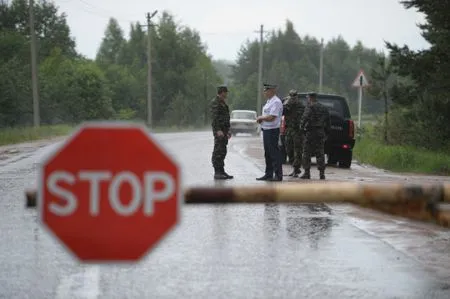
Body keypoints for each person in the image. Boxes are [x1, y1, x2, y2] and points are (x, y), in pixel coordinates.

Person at [256, 83, 284, 181]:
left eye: (266, 90)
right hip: (266, 130)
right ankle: (268, 174)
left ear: (272, 90)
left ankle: (278, 175)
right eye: (264, 90)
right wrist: (262, 119)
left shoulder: (276, 102)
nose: (264, 92)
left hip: (272, 130)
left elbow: (272, 117)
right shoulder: (269, 101)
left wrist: (261, 117)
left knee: (274, 153)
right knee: (267, 153)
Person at [300, 92, 331, 180]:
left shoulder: (309, 107)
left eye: (308, 98)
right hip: (320, 132)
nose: (307, 99)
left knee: (306, 153)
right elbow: (328, 122)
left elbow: (304, 119)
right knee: (320, 153)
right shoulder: (324, 108)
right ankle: (322, 174)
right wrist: (327, 133)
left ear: (310, 98)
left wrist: (301, 130)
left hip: (310, 133)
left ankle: (307, 173)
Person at [210, 85, 233, 180]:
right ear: (222, 92)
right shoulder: (215, 102)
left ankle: (222, 171)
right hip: (219, 131)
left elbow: (226, 118)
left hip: (224, 130)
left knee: (223, 151)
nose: (226, 93)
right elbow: (215, 118)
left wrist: (228, 130)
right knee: (218, 151)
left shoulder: (223, 103)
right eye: (225, 92)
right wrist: (218, 130)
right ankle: (217, 172)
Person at [283, 89, 305, 177]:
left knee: (298, 150)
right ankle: (295, 167)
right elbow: (282, 111)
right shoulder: (288, 104)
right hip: (289, 130)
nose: (292, 98)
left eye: (294, 96)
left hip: (297, 131)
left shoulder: (300, 105)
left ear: (297, 96)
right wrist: (285, 102)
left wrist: (289, 103)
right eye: (291, 96)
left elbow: (300, 117)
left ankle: (296, 169)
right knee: (288, 149)